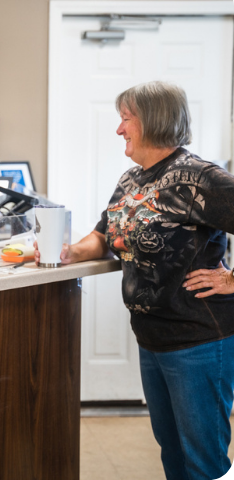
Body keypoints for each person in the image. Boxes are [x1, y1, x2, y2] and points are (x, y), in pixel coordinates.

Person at [35, 81, 234, 479]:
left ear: (154, 120)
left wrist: (233, 279)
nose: (119, 129)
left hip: (198, 340)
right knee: (173, 453)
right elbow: (104, 235)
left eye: (126, 118)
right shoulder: (132, 180)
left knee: (203, 462)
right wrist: (71, 252)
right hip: (152, 338)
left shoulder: (200, 178)